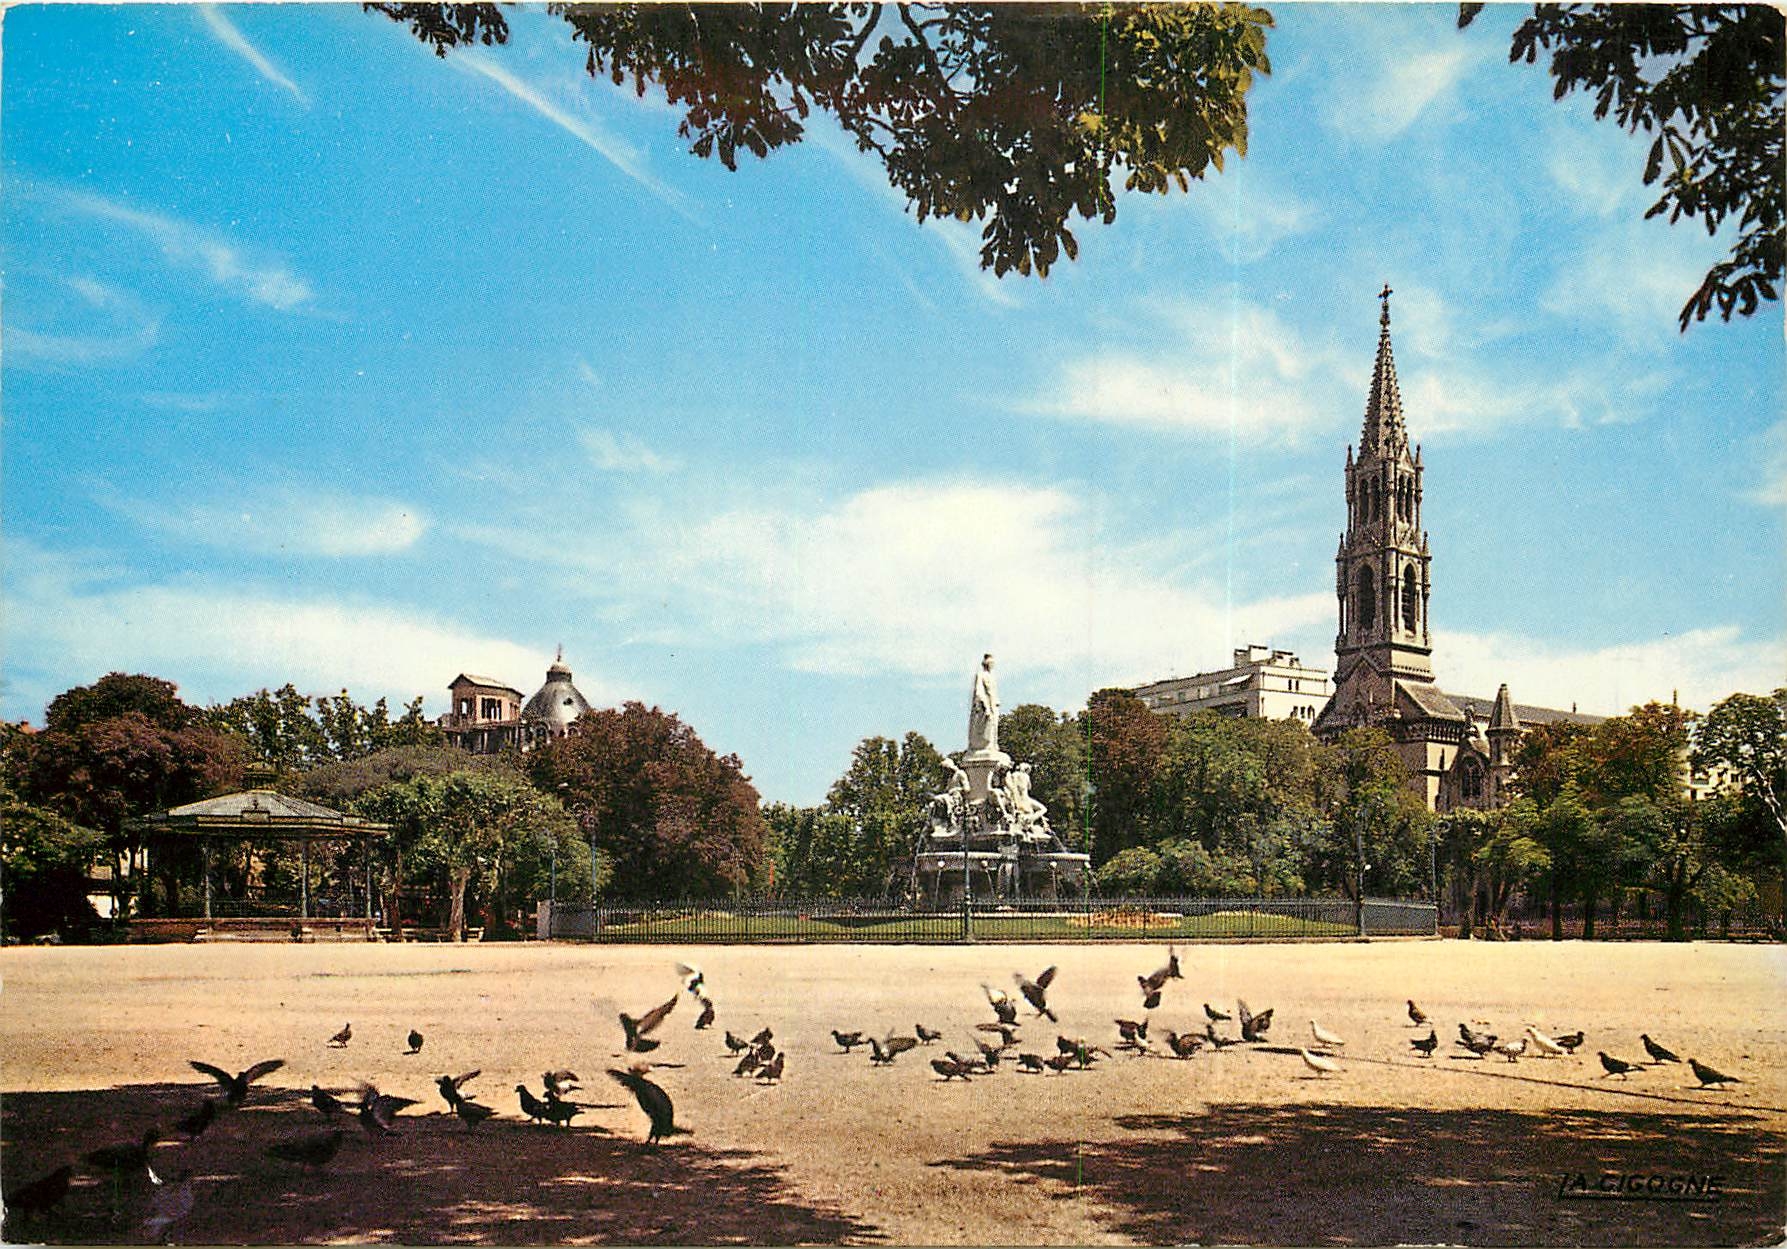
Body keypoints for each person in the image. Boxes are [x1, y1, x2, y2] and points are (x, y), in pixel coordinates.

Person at [968, 653, 998, 752]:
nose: (992, 665)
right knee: (986, 730)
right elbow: (979, 691)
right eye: (991, 663)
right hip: (985, 707)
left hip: (994, 706)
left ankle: (993, 745)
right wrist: (986, 707)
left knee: (993, 729)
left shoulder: (992, 676)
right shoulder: (980, 675)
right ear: (986, 664)